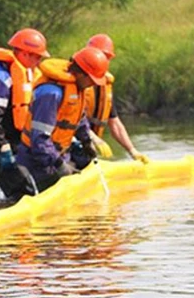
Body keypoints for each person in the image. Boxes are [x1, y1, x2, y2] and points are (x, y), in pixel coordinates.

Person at [0, 28, 48, 203]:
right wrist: (2, 147)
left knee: (33, 183)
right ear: (25, 54)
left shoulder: (23, 74)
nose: (39, 61)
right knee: (22, 189)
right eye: (37, 56)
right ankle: (13, 225)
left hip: (12, 141)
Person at [16, 46, 110, 192]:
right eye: (92, 80)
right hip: (37, 163)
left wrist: (86, 142)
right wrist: (60, 165)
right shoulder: (50, 94)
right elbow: (39, 139)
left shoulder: (76, 89)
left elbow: (79, 118)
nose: (93, 85)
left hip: (58, 156)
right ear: (81, 74)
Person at [72, 33, 149, 168]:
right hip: (70, 146)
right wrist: (94, 138)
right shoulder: (75, 81)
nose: (103, 60)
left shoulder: (105, 86)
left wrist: (132, 151)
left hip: (88, 147)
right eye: (100, 55)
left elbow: (115, 122)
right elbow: (73, 118)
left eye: (107, 58)